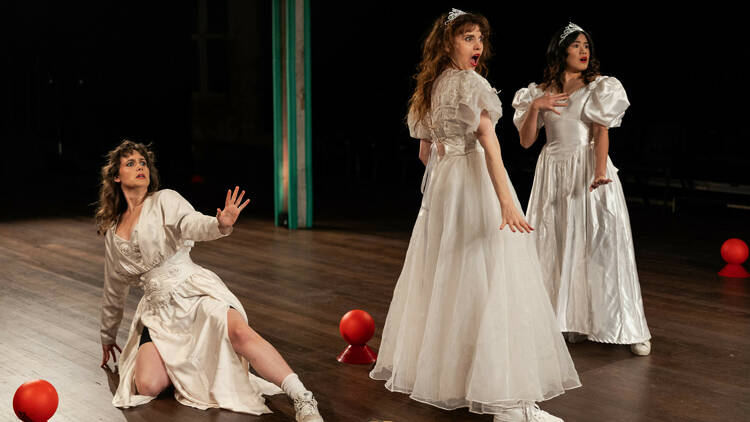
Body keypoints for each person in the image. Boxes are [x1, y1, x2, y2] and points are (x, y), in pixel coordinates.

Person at [370, 9, 580, 422]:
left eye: (480, 37)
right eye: (468, 37)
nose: (478, 45)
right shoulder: (471, 84)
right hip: (473, 183)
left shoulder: (431, 87)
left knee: (451, 277)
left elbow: (425, 151)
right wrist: (505, 200)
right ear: (448, 43)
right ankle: (506, 399)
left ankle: (457, 378)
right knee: (493, 278)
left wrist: (442, 179)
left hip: (446, 190)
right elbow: (489, 143)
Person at [96, 140, 324, 421]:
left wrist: (219, 225)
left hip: (193, 291)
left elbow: (190, 223)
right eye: (130, 163)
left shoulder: (165, 199)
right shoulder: (113, 231)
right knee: (148, 385)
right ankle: (197, 357)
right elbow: (114, 288)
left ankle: (302, 397)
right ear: (116, 176)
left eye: (143, 162)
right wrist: (107, 335)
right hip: (158, 312)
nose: (139, 167)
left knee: (240, 333)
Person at [512, 22, 651, 355]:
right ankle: (559, 319)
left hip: (587, 167)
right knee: (555, 242)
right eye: (576, 45)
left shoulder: (600, 87)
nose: (584, 50)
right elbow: (527, 140)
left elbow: (601, 131)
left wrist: (600, 171)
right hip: (553, 172)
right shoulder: (539, 92)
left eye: (586, 45)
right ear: (561, 51)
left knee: (602, 243)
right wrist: (535, 107)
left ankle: (626, 325)